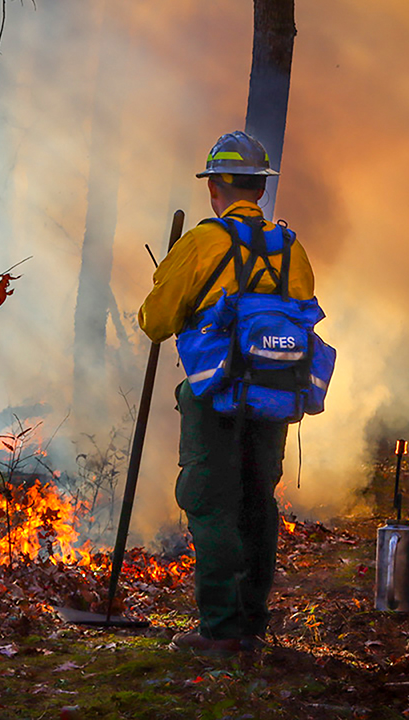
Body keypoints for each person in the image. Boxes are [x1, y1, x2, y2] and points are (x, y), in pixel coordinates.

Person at [138, 131, 316, 654]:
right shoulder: (290, 246)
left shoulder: (202, 241)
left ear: (215, 184)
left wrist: (168, 280)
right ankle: (253, 625)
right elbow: (303, 313)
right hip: (275, 395)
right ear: (259, 189)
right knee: (257, 502)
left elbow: (154, 321)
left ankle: (220, 631)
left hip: (215, 395)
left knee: (211, 503)